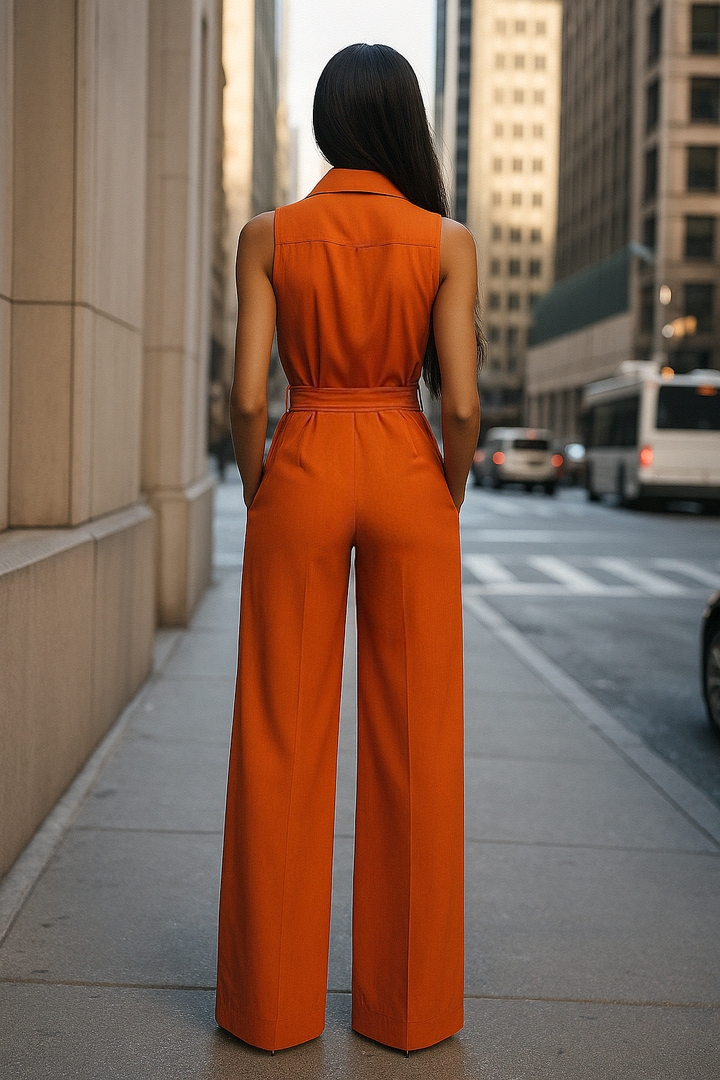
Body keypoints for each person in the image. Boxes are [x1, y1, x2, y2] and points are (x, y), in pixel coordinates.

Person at [216, 43, 482, 1055]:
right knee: (415, 736)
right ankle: (407, 1012)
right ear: (405, 124)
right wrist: (445, 489)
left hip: (310, 454)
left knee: (281, 729)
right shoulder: (444, 240)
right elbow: (459, 400)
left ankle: (270, 1011)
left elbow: (246, 396)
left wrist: (260, 483)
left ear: (329, 123)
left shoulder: (269, 236)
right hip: (406, 463)